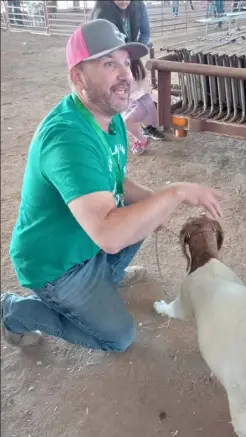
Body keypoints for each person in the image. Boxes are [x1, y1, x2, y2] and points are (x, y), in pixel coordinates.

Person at [1, 19, 222, 353]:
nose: (125, 74)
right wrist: (174, 192)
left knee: (146, 212)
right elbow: (109, 233)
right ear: (77, 76)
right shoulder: (68, 138)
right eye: (108, 64)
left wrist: (157, 202)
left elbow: (116, 181)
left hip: (87, 244)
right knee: (118, 339)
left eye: (124, 63)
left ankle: (104, 280)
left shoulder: (110, 117)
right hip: (58, 266)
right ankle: (15, 310)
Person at [91, 0, 165, 152]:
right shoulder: (101, 13)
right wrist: (116, 62)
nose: (124, 1)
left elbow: (145, 33)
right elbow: (99, 46)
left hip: (130, 56)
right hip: (111, 58)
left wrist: (133, 54)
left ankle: (144, 131)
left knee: (133, 97)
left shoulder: (138, 5)